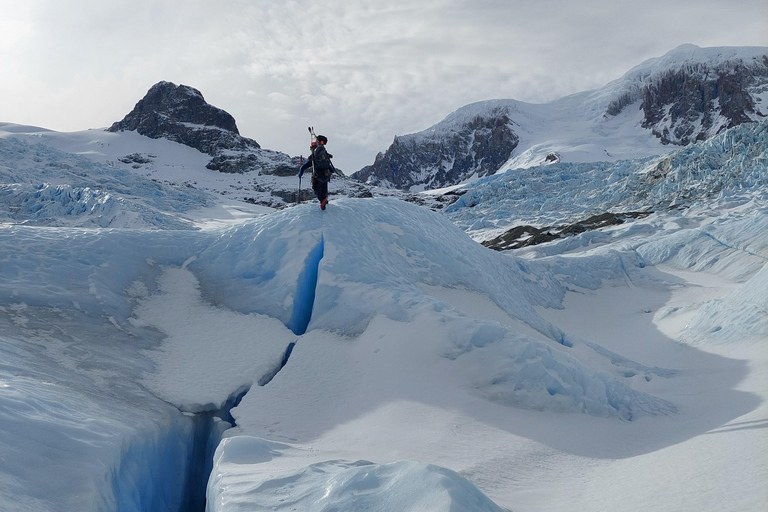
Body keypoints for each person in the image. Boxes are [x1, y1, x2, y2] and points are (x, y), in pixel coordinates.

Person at [299, 135, 341, 210]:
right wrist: (331, 171)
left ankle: (322, 201)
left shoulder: (314, 155)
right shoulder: (325, 155)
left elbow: (304, 166)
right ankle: (325, 200)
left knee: (316, 188)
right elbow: (330, 167)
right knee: (324, 188)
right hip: (326, 175)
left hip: (317, 175)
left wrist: (300, 172)